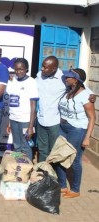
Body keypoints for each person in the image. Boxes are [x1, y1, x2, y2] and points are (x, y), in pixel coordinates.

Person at [35, 56, 95, 162]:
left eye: (45, 67)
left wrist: (91, 94)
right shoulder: (39, 76)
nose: (42, 69)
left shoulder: (63, 78)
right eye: (42, 66)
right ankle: (42, 172)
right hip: (41, 119)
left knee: (55, 150)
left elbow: (80, 86)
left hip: (55, 121)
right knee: (42, 149)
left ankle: (53, 174)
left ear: (54, 69)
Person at [56, 68, 95, 198]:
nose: (65, 79)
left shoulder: (86, 95)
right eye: (65, 76)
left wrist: (87, 137)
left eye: (68, 77)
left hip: (77, 129)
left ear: (77, 80)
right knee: (60, 156)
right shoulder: (67, 90)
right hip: (63, 127)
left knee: (75, 160)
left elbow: (92, 118)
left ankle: (75, 189)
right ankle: (62, 186)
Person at [6, 58, 39, 160]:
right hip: (13, 119)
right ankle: (19, 168)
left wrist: (30, 127)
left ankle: (27, 169)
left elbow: (33, 105)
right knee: (16, 145)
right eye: (16, 69)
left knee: (25, 146)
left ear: (26, 69)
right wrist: (9, 122)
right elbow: (12, 103)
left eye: (21, 69)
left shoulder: (31, 82)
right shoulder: (13, 81)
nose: (18, 71)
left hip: (25, 120)